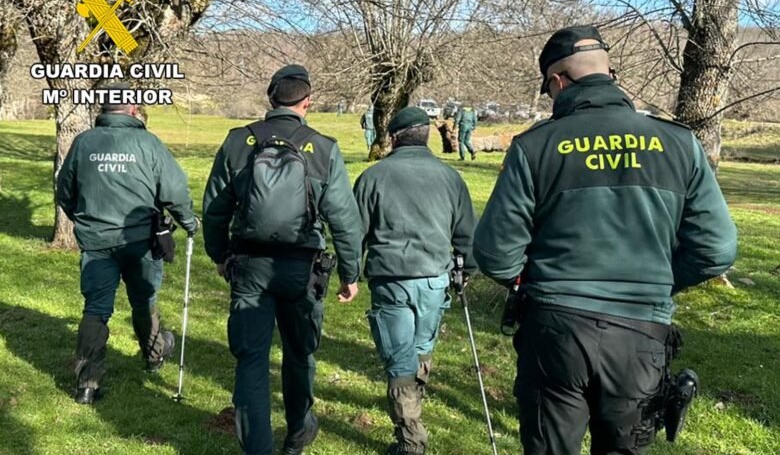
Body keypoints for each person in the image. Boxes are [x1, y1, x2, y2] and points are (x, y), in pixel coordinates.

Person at [473, 25, 737, 455]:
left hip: (556, 331)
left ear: (558, 81)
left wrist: (532, 280)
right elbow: (718, 249)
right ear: (608, 72)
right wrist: (657, 283)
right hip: (640, 334)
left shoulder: (535, 146)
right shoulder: (679, 143)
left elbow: (493, 253)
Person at [202, 64, 362, 455]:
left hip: (250, 266)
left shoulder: (238, 141)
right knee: (299, 353)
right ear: (308, 101)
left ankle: (258, 448)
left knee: (251, 360)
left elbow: (214, 209)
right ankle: (297, 433)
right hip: (302, 269)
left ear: (270, 99)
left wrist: (220, 254)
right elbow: (345, 218)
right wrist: (351, 272)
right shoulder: (323, 148)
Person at [56, 89, 198, 405]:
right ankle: (153, 356)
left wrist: (84, 220)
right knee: (144, 298)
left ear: (103, 109)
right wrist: (189, 222)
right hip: (139, 240)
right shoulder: (148, 143)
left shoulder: (84, 142)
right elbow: (174, 190)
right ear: (133, 109)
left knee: (96, 308)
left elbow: (65, 191)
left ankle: (87, 385)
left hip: (96, 241)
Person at [353, 107, 477, 455]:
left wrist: (349, 274)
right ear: (426, 135)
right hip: (434, 281)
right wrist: (466, 271)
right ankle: (412, 416)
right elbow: (467, 234)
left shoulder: (373, 177)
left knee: (400, 362)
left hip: (391, 280)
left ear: (394, 136)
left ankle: (411, 441)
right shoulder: (451, 177)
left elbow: (353, 234)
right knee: (419, 353)